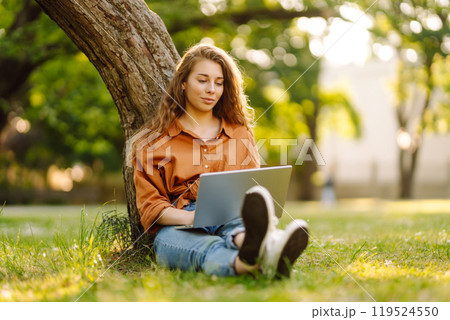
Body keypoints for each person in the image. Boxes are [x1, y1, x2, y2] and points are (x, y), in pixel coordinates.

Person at [133, 43, 309, 278]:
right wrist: (192, 217)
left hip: (230, 214)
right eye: (202, 80)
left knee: (238, 225)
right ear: (183, 83)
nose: (211, 90)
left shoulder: (239, 133)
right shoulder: (153, 141)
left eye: (219, 82)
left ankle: (257, 243)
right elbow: (151, 207)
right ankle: (255, 260)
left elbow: (250, 188)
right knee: (183, 245)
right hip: (178, 223)